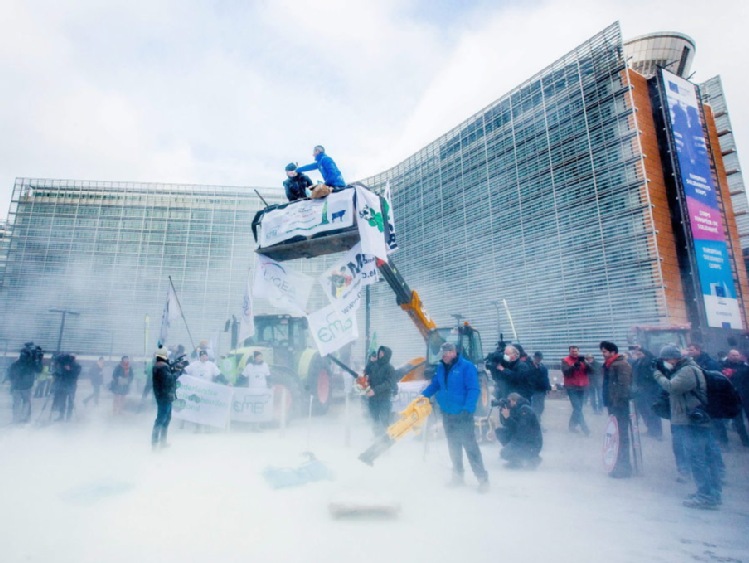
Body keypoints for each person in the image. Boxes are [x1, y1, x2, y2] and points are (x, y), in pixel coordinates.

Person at [653, 345, 722, 509]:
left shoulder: (688, 370)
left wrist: (657, 374)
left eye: (665, 360)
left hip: (692, 422)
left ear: (673, 358)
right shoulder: (685, 369)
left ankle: (706, 495)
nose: (664, 363)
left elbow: (672, 386)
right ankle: (710, 493)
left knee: (698, 460)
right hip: (691, 420)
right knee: (703, 459)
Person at [422, 342, 489, 493]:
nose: (444, 356)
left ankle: (483, 479)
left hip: (462, 414)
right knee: (453, 447)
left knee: (470, 447)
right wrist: (422, 396)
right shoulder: (440, 368)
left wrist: (468, 409)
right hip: (448, 414)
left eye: (446, 353)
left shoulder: (466, 367)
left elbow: (473, 389)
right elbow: (435, 385)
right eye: (442, 353)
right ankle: (458, 477)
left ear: (453, 352)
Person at [600, 341, 633, 478]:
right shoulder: (609, 365)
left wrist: (618, 402)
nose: (603, 354)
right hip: (613, 405)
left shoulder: (622, 365)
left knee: (622, 436)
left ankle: (624, 467)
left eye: (605, 352)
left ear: (613, 352)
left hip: (620, 406)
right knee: (615, 436)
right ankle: (616, 464)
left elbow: (623, 386)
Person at [496, 392, 543, 468]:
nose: (508, 404)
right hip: (522, 439)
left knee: (505, 453)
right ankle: (516, 459)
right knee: (501, 432)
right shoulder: (516, 409)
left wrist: (508, 417)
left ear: (514, 401)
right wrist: (504, 414)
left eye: (509, 401)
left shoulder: (525, 410)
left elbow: (521, 430)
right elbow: (508, 426)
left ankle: (532, 458)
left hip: (531, 443)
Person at [629, 346, 662, 439]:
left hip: (650, 390)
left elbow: (651, 356)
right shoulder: (636, 362)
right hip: (640, 391)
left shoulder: (649, 361)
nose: (638, 354)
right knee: (644, 411)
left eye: (640, 353)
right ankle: (650, 429)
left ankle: (658, 432)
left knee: (653, 412)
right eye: (637, 353)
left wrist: (642, 348)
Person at [7, 343, 43, 423]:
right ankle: (24, 419)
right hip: (26, 386)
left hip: (17, 386)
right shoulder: (30, 363)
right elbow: (39, 370)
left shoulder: (16, 363)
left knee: (17, 404)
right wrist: (39, 360)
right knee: (26, 403)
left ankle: (16, 419)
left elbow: (10, 375)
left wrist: (12, 385)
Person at [366, 346, 397, 435]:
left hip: (384, 399)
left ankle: (386, 438)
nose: (380, 354)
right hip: (373, 399)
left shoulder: (390, 368)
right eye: (380, 352)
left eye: (383, 353)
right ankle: (376, 437)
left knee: (384, 419)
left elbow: (388, 383)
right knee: (374, 419)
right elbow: (367, 373)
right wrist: (370, 362)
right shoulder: (374, 366)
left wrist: (375, 390)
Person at [720, 349, 749, 447]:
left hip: (745, 396)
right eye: (733, 355)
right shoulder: (722, 365)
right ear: (728, 355)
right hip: (732, 397)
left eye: (737, 355)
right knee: (738, 420)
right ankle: (745, 440)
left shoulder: (744, 365)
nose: (735, 357)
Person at [561, 345, 591, 436]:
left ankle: (571, 425)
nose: (574, 353)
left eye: (576, 351)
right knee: (577, 408)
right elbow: (566, 373)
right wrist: (573, 366)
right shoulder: (565, 361)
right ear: (569, 352)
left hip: (582, 386)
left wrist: (586, 363)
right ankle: (585, 428)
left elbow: (591, 371)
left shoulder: (582, 360)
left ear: (578, 351)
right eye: (572, 351)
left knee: (578, 408)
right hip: (571, 387)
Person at [151, 348, 176, 450]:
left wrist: (173, 368)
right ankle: (155, 443)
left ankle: (162, 442)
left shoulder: (160, 365)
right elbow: (168, 380)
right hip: (164, 396)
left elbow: (167, 375)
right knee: (161, 420)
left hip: (165, 396)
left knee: (166, 419)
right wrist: (177, 373)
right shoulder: (161, 366)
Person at [51, 353, 81, 422]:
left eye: (72, 358)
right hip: (63, 385)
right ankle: (61, 416)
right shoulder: (63, 364)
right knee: (62, 401)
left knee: (70, 401)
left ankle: (68, 417)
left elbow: (75, 375)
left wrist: (70, 370)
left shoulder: (77, 366)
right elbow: (59, 374)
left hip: (71, 386)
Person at [528, 351, 551, 424]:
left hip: (542, 390)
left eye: (540, 358)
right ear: (535, 358)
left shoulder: (543, 366)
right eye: (537, 358)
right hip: (534, 390)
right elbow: (531, 377)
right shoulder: (531, 366)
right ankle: (536, 424)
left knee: (541, 407)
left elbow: (546, 378)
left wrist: (548, 387)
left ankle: (536, 422)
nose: (539, 359)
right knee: (535, 407)